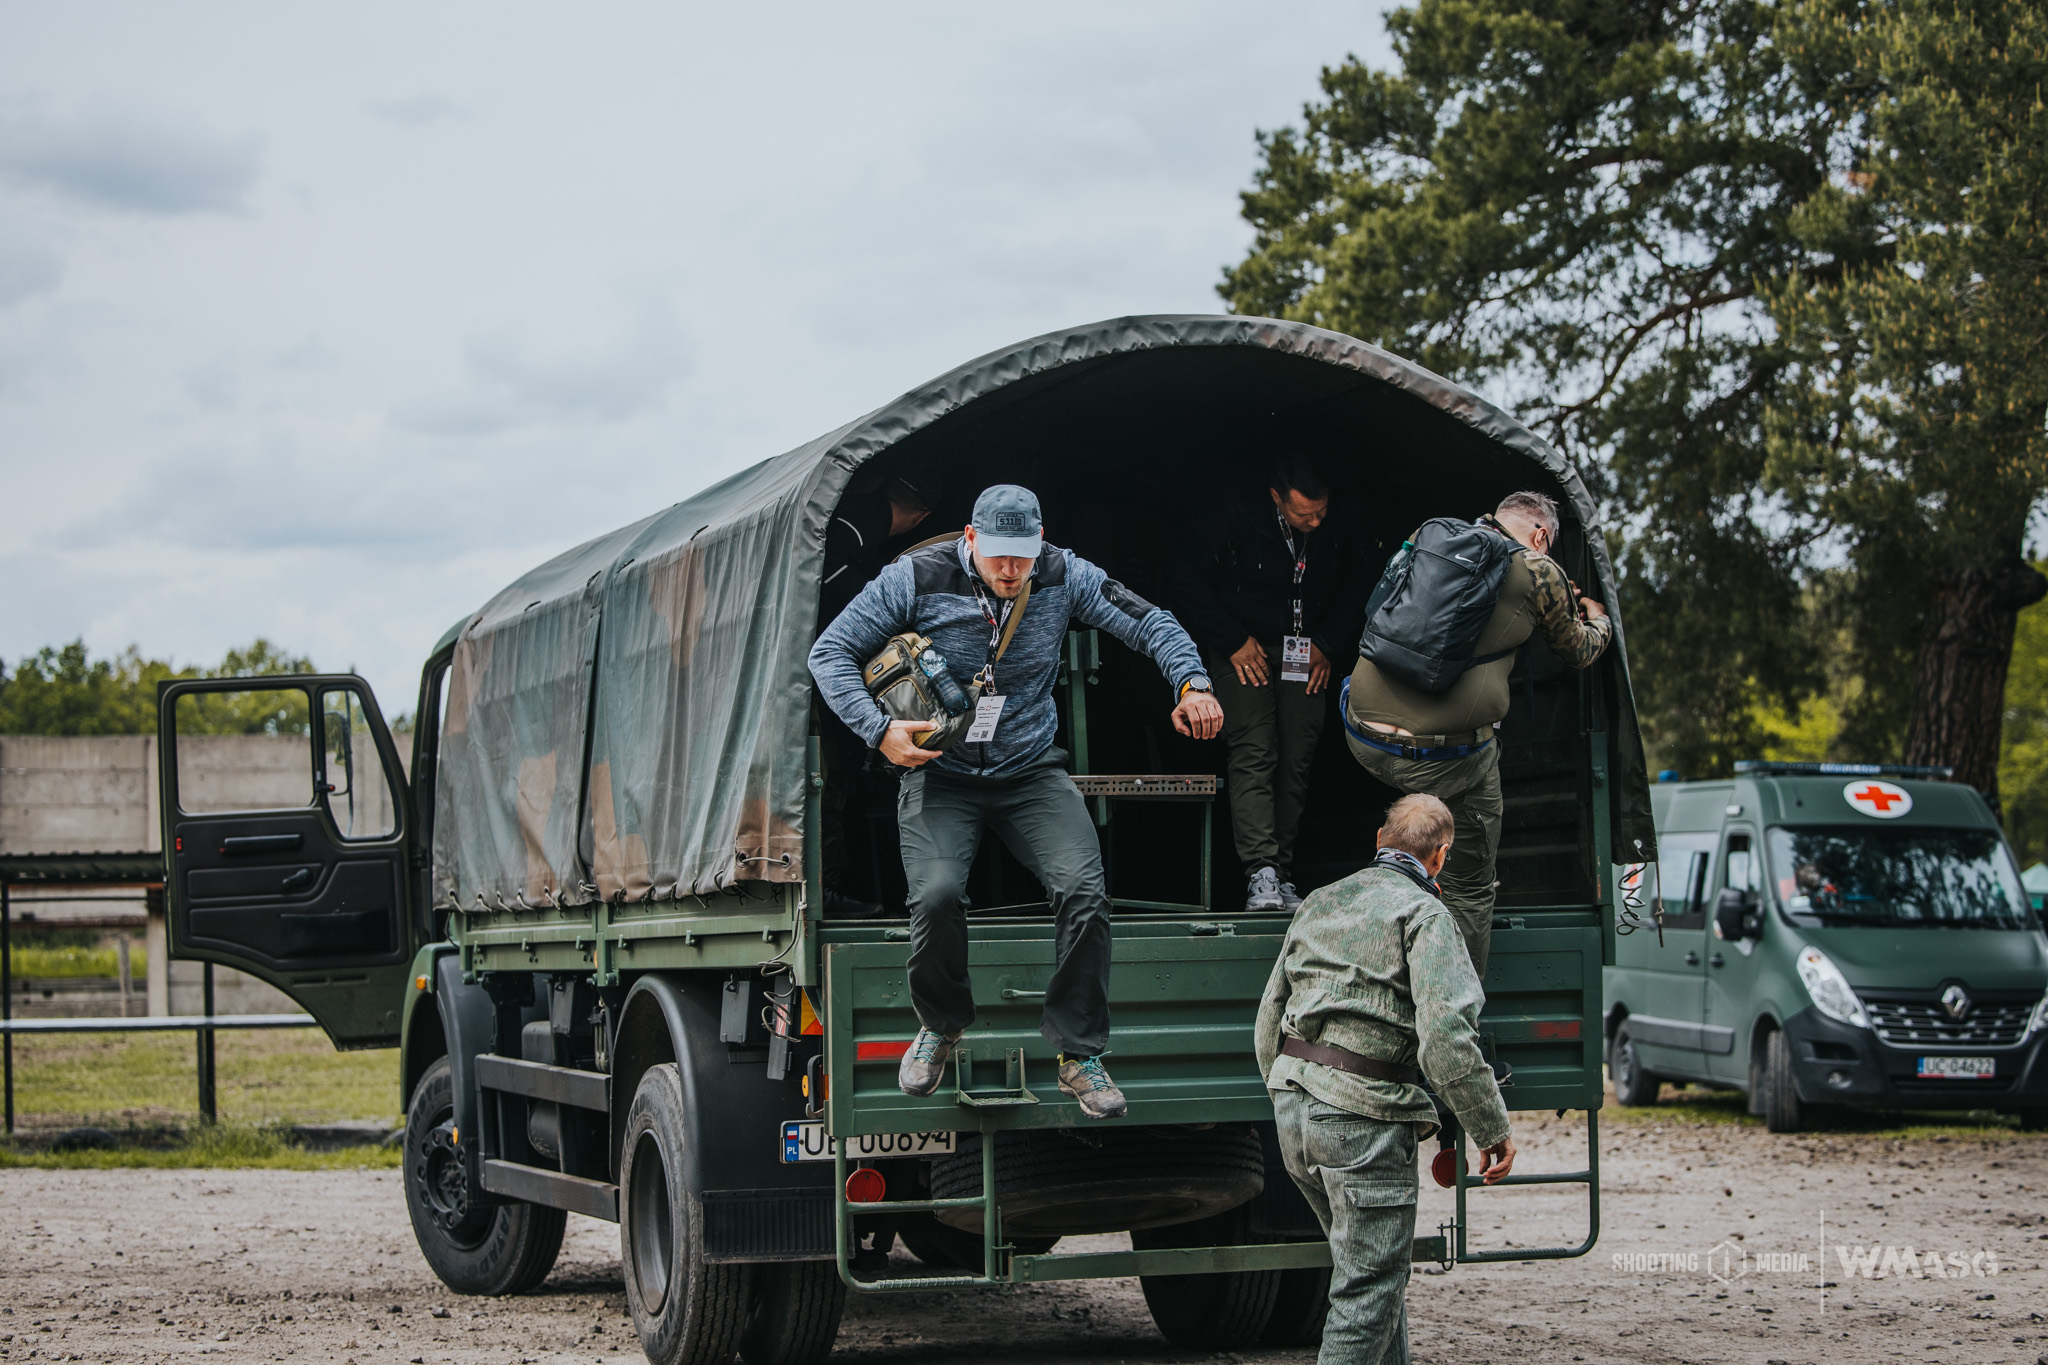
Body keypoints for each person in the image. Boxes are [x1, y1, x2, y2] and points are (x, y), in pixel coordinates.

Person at [808, 484, 1223, 1118]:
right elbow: (828, 652)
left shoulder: (1063, 573)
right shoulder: (915, 577)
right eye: (998, 555)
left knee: (1084, 890)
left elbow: (1149, 622)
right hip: (939, 772)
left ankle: (1078, 1053)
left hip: (1029, 770)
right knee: (939, 894)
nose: (1011, 570)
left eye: (1022, 556)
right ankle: (942, 1025)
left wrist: (1191, 681)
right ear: (970, 540)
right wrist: (877, 729)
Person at [1254, 793, 1515, 1364]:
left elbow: (1268, 1017)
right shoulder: (1426, 915)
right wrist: (1490, 1126)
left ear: (1380, 839)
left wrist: (1287, 1089)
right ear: (1441, 857)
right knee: (1368, 1287)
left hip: (1295, 1111)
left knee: (1373, 1273)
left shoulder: (1319, 902)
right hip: (1362, 1120)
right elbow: (1447, 1040)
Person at [1340, 491, 1611, 977]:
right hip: (1444, 761)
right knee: (1467, 885)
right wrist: (1597, 616)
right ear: (1541, 535)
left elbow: (1382, 604)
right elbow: (1579, 651)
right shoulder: (1538, 569)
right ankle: (1452, 1014)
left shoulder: (1433, 535)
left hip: (1360, 735)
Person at [1175, 455, 1366, 913]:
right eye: (1304, 515)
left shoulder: (1335, 522)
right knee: (1255, 749)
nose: (1315, 522)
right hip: (1244, 647)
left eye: (1321, 512)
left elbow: (1362, 580)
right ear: (1276, 498)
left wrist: (1329, 642)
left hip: (1307, 651)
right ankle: (1260, 873)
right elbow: (1184, 576)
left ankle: (1281, 874)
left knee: (1296, 757)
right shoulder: (1234, 514)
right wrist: (1232, 639)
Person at [815, 464, 945, 918]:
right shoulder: (861, 522)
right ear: (921, 517)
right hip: (822, 678)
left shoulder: (855, 522)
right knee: (827, 782)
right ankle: (825, 894)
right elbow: (831, 575)